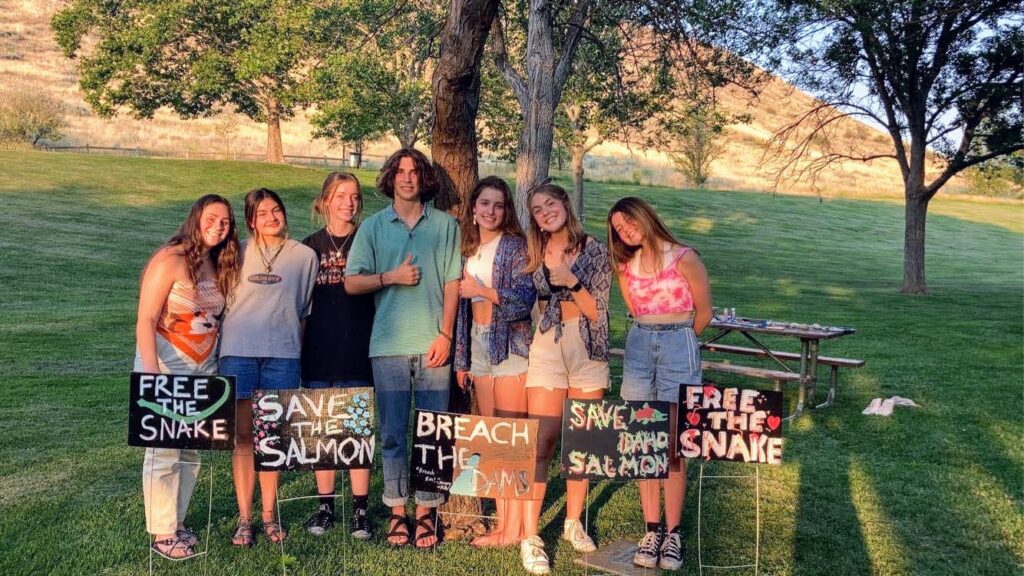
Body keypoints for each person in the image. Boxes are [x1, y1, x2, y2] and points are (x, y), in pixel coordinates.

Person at [345, 148, 461, 549]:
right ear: (391, 178)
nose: (408, 178)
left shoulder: (445, 225)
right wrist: (389, 276)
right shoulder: (374, 227)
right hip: (388, 345)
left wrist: (445, 335)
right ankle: (397, 512)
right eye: (401, 172)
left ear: (424, 179)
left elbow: (452, 284)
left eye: (415, 172)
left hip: (433, 345)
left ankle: (427, 511)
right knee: (393, 433)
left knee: (434, 433)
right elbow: (351, 282)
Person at [607, 196, 712, 571]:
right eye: (618, 228)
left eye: (628, 222)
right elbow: (635, 312)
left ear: (645, 216)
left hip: (678, 343)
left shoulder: (685, 258)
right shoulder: (626, 266)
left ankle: (674, 533)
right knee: (643, 441)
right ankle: (651, 530)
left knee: (673, 444)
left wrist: (680, 346)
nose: (625, 231)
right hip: (639, 345)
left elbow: (705, 312)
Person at [135, 194, 241, 559]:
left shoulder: (218, 263)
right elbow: (147, 318)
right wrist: (151, 372)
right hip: (165, 365)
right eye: (212, 218)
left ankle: (177, 523)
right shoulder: (170, 259)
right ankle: (162, 533)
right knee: (164, 451)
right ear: (196, 218)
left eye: (226, 221)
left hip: (203, 368)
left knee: (191, 451)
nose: (219, 225)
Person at [519, 182, 611, 575]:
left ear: (564, 204)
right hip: (548, 349)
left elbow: (599, 312)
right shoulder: (536, 252)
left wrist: (569, 280)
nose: (545, 213)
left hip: (587, 351)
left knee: (582, 440)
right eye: (537, 210)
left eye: (550, 205)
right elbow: (538, 302)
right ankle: (529, 535)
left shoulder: (593, 249)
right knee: (540, 443)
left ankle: (573, 521)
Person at [220, 188, 318, 547]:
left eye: (276, 210)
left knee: (271, 441)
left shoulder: (305, 256)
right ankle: (245, 520)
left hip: (283, 356)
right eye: (263, 213)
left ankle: (268, 516)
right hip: (238, 353)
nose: (272, 217)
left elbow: (304, 310)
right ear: (251, 220)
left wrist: (296, 349)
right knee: (244, 438)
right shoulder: (235, 253)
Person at [452, 176, 534, 548]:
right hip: (479, 347)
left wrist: (482, 290)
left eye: (498, 205)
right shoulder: (467, 250)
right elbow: (462, 314)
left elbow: (522, 300)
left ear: (506, 211)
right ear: (473, 208)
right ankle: (504, 525)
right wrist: (462, 360)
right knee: (493, 438)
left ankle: (517, 528)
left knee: (513, 440)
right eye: (485, 203)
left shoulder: (515, 246)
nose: (490, 210)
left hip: (511, 349)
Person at [300, 172, 376, 539]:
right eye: (341, 195)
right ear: (325, 200)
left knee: (356, 432)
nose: (349, 202)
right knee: (323, 434)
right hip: (318, 351)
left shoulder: (370, 239)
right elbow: (300, 306)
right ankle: (325, 507)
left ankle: (361, 510)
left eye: (355, 196)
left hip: (359, 350)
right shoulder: (308, 247)